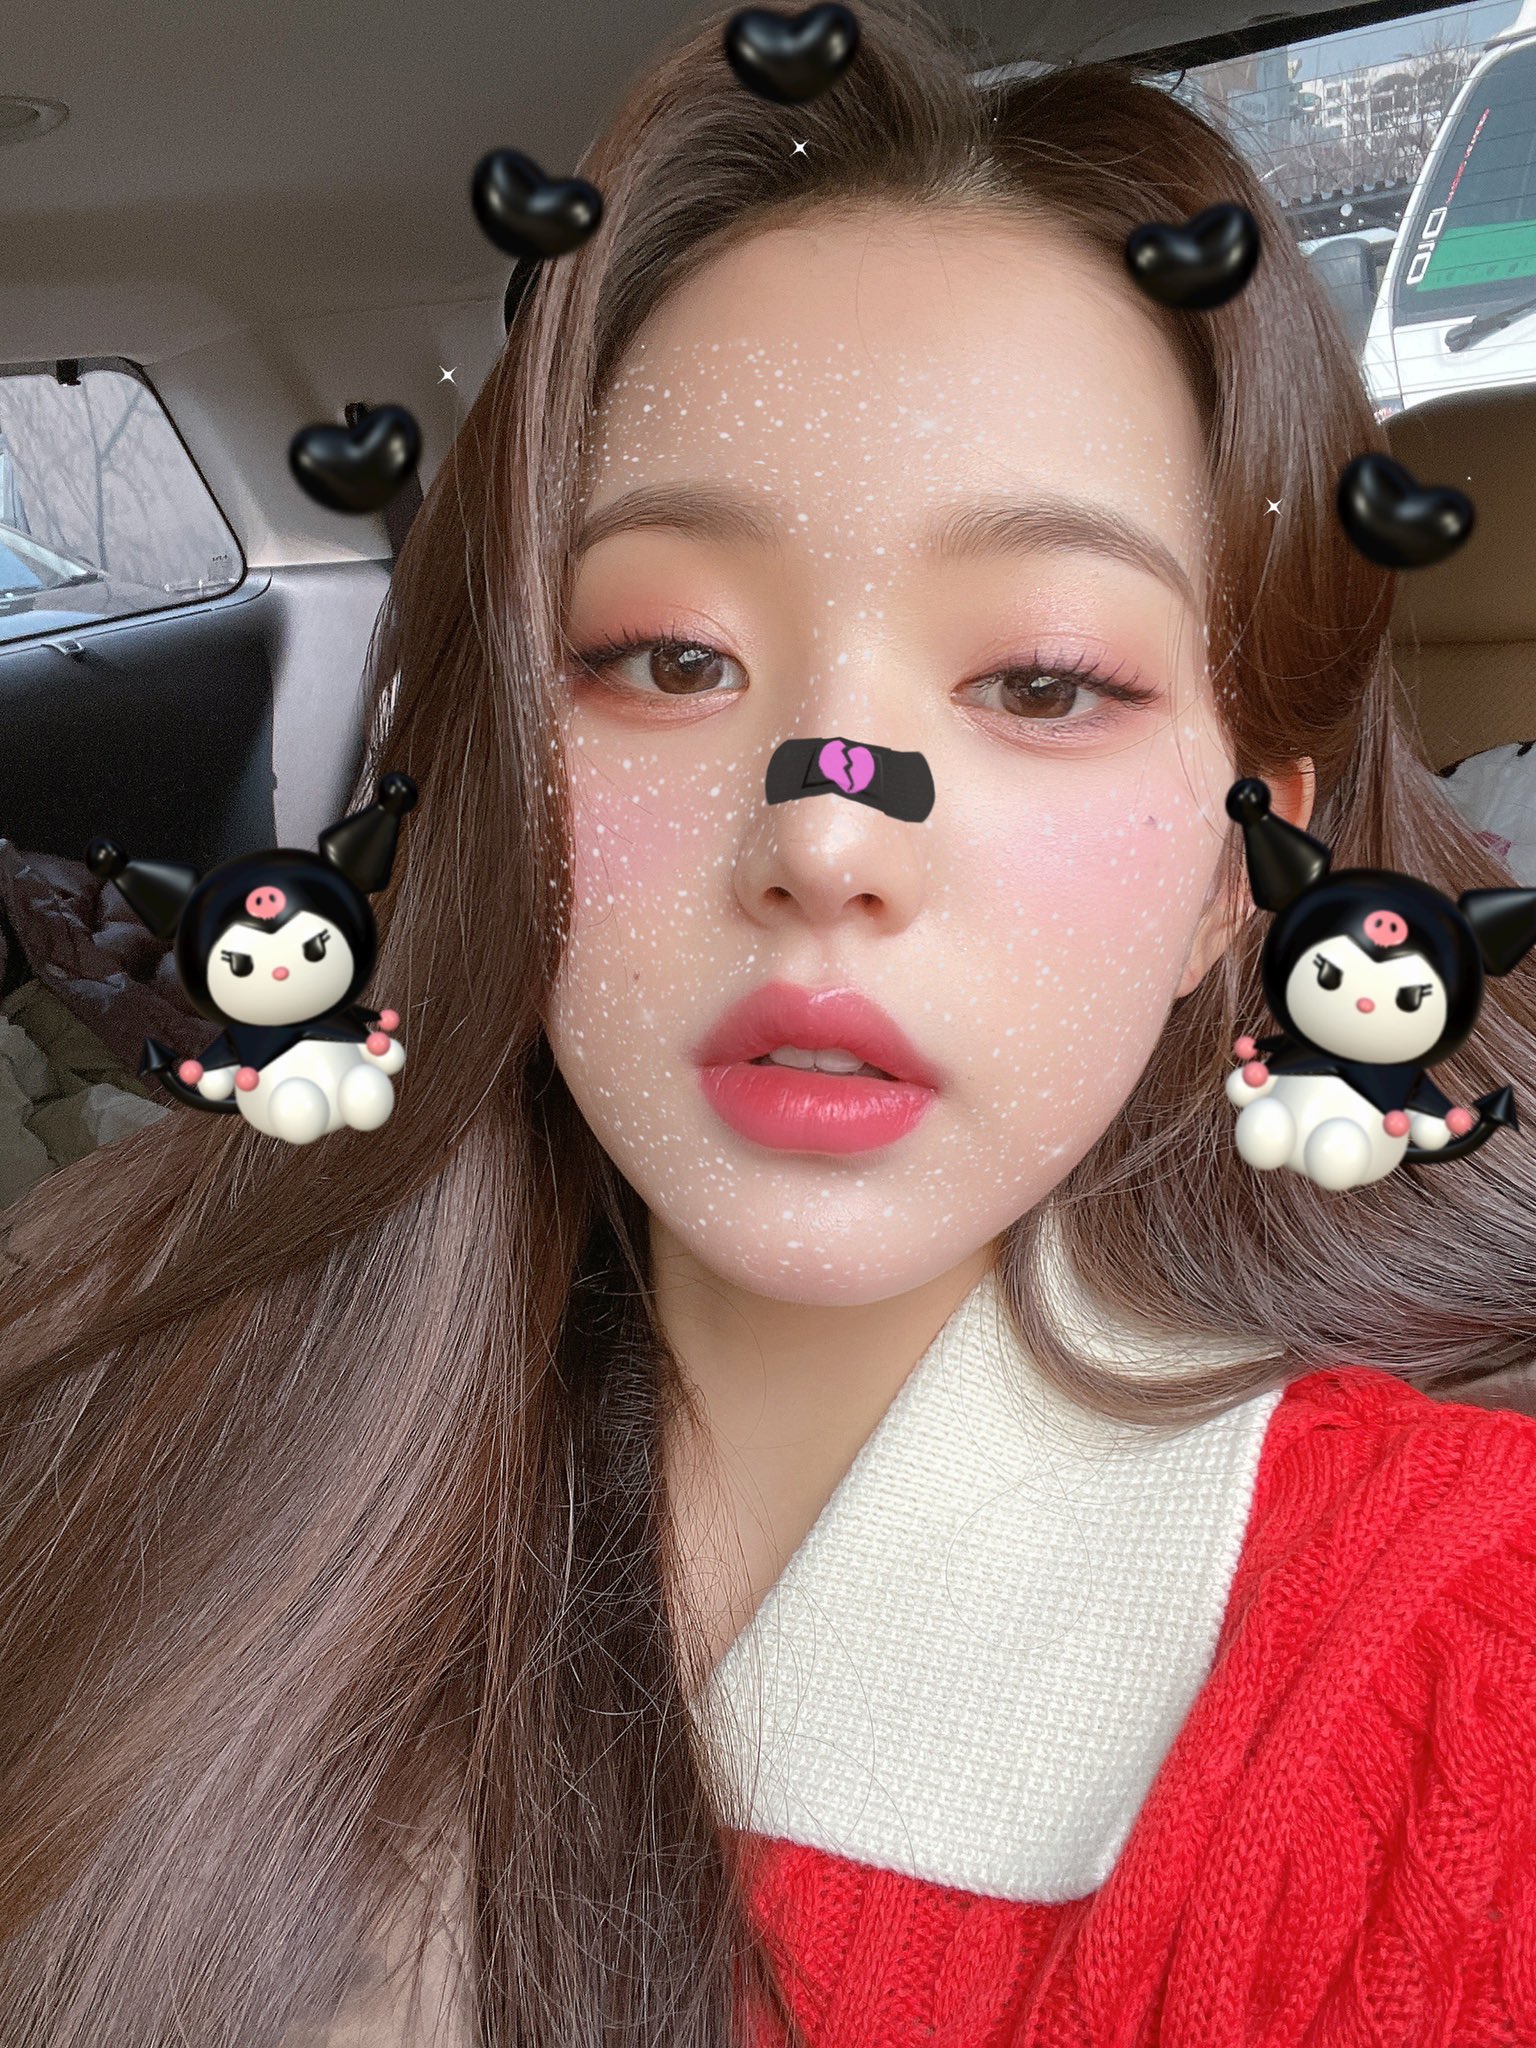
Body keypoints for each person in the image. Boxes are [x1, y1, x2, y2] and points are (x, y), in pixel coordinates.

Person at [3, 4, 1535, 2044]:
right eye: (665, 656)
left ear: (1232, 874)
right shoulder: (92, 1367)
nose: (824, 839)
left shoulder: (1457, 1678)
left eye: (1044, 684)